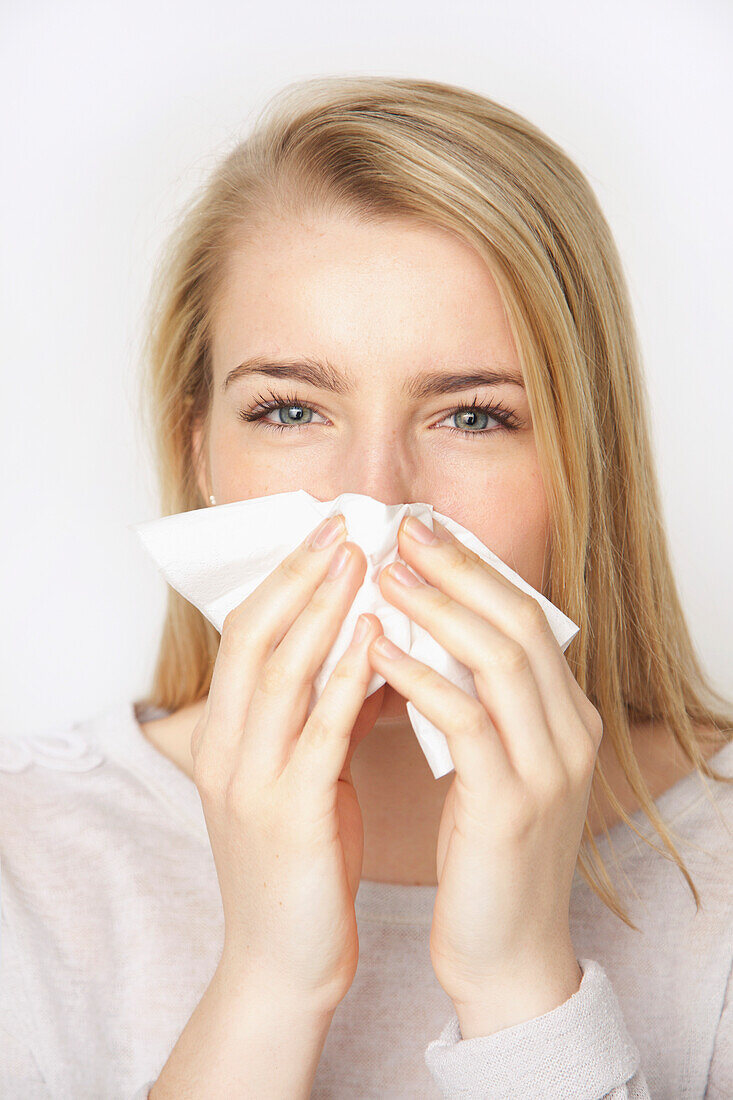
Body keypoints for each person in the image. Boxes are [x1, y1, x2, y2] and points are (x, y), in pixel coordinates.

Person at [1, 75, 731, 1099]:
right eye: (292, 409)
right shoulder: (22, 856)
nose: (375, 498)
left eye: (473, 415)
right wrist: (267, 984)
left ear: (583, 469)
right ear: (198, 447)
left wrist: (517, 980)